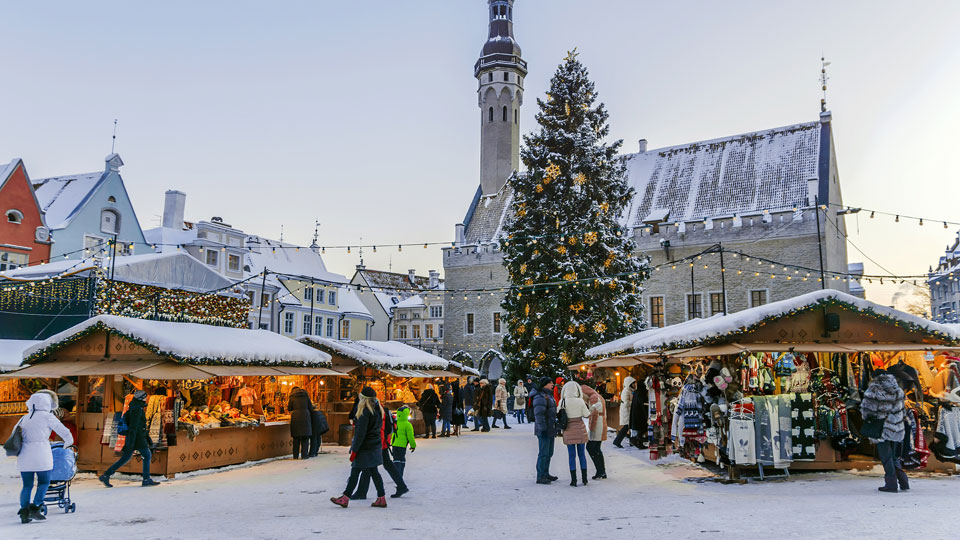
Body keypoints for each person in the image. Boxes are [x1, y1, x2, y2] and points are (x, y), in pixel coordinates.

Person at [13, 391, 74, 524]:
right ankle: (36, 507)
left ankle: (24, 512)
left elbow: (14, 434)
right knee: (44, 482)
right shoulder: (47, 417)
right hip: (42, 454)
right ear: (47, 403)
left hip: (25, 455)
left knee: (27, 485)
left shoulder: (25, 417)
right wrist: (68, 444)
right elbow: (64, 432)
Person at [331, 387, 388, 508]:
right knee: (373, 472)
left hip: (365, 447)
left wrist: (355, 449)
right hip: (374, 444)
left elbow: (360, 433)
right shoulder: (378, 409)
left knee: (355, 471)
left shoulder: (364, 411)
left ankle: (345, 498)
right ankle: (381, 498)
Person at [100, 390, 160, 488]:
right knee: (147, 454)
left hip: (136, 437)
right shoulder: (137, 409)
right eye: (145, 396)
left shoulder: (136, 407)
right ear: (141, 398)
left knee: (126, 457)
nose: (146, 398)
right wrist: (131, 442)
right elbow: (134, 426)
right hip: (137, 438)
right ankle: (146, 479)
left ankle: (106, 475)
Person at [351, 401, 410, 500]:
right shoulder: (383, 410)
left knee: (369, 466)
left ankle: (362, 492)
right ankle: (401, 486)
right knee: (386, 465)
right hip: (383, 442)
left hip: (378, 444)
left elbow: (377, 429)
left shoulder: (375, 411)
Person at [861, 372, 909, 493]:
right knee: (892, 456)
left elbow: (868, 409)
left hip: (881, 427)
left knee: (886, 457)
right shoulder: (897, 389)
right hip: (896, 426)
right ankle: (903, 481)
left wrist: (867, 418)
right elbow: (903, 410)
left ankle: (891, 484)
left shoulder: (874, 389)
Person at [560, 380, 592, 486]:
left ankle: (573, 480)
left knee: (571, 456)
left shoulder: (563, 401)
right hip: (579, 429)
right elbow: (587, 415)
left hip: (568, 429)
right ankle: (584, 478)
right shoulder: (580, 401)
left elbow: (558, 413)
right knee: (582, 455)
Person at [531, 377, 558, 484]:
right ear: (545, 384)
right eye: (551, 383)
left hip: (550, 428)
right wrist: (543, 429)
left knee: (549, 452)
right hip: (544, 429)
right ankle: (540, 475)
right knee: (543, 453)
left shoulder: (548, 395)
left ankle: (546, 473)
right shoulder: (540, 396)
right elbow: (539, 414)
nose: (553, 384)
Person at [582, 382, 608, 479]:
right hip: (600, 424)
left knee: (592, 448)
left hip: (597, 426)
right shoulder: (596, 396)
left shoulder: (593, 398)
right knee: (596, 448)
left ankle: (600, 471)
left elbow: (594, 414)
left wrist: (591, 429)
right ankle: (601, 471)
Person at [287, 386, 314, 459]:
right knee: (305, 438)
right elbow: (311, 408)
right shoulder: (306, 396)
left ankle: (295, 456)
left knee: (296, 439)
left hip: (295, 418)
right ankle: (304, 455)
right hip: (306, 417)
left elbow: (289, 408)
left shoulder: (292, 397)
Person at [391, 405, 417, 479]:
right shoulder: (408, 425)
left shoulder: (396, 423)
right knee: (401, 460)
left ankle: (396, 475)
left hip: (395, 444)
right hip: (402, 445)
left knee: (396, 459)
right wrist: (413, 445)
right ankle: (399, 475)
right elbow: (410, 436)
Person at [613, 376, 637, 448]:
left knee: (629, 427)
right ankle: (617, 441)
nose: (634, 385)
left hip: (628, 411)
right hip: (626, 412)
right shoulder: (626, 391)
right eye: (633, 384)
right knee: (626, 427)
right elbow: (626, 403)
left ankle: (631, 441)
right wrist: (634, 403)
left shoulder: (629, 390)